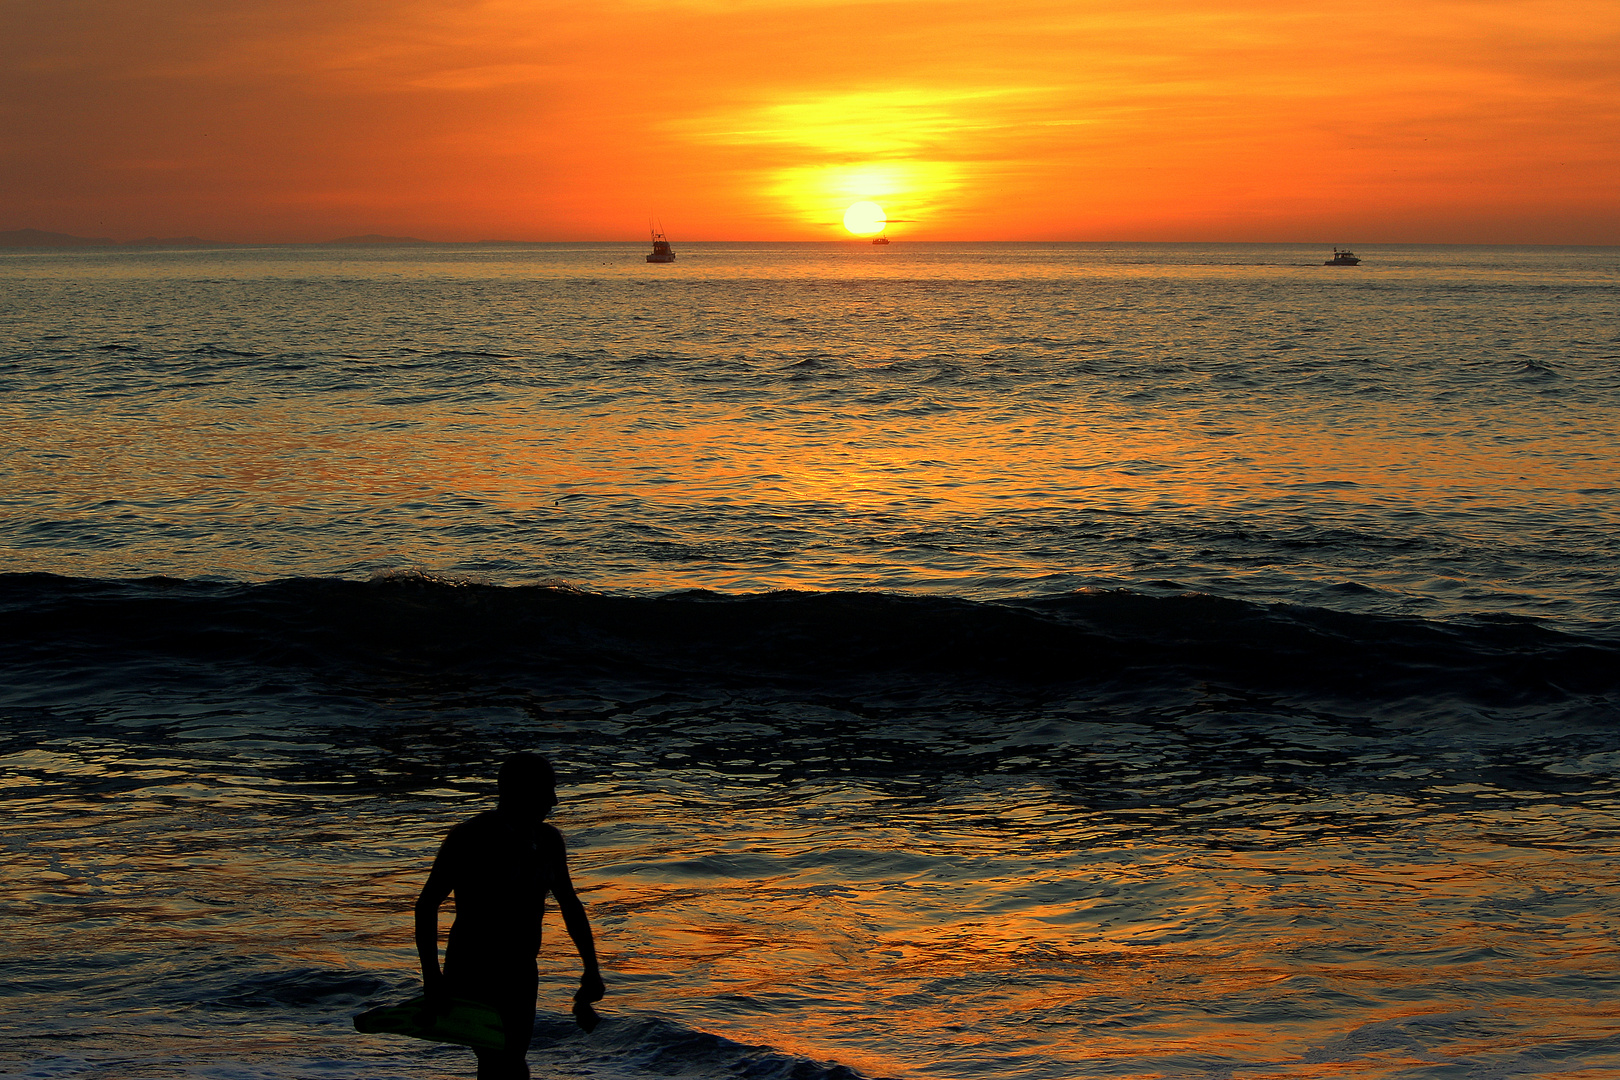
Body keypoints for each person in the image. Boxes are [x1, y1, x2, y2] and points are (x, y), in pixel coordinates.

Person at [415, 753, 605, 1079]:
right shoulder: (469, 838)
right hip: (474, 969)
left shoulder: (548, 841)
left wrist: (591, 969)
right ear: (520, 791)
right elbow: (427, 904)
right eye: (547, 791)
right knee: (505, 1062)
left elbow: (570, 905)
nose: (554, 800)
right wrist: (433, 979)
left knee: (507, 1060)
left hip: (522, 971)